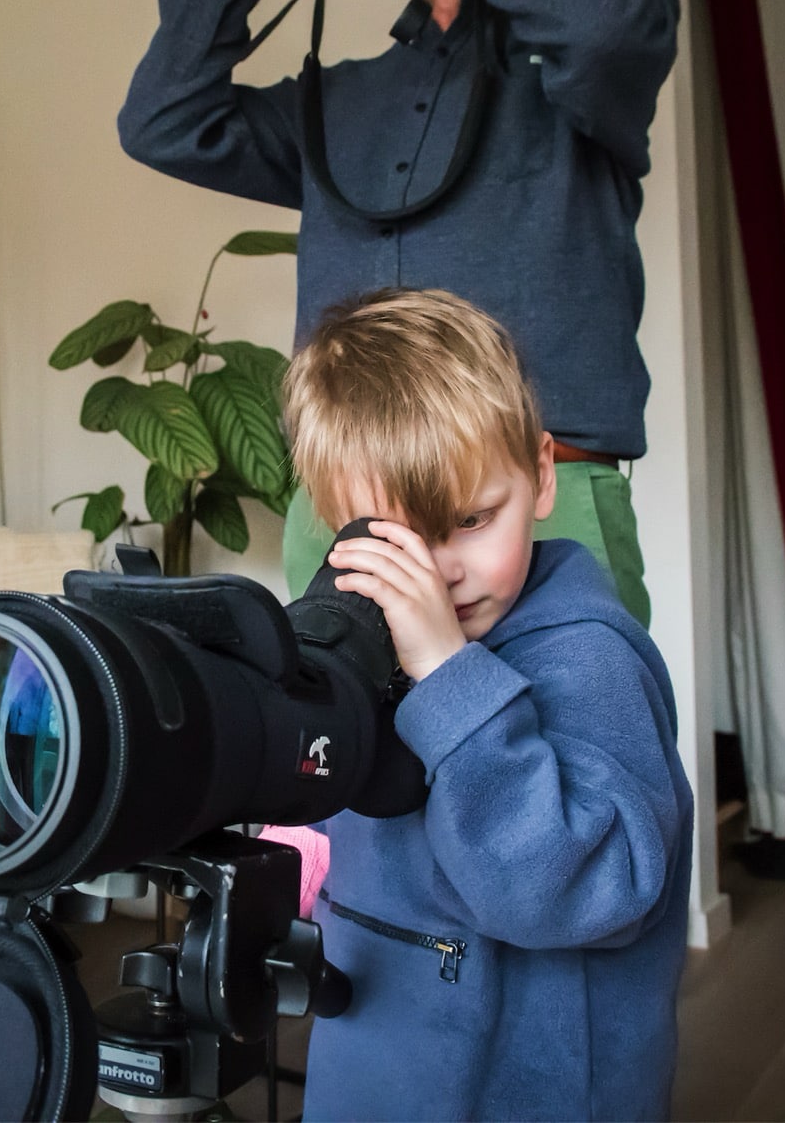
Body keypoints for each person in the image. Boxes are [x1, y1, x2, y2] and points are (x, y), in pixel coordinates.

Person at [119, 0, 678, 623]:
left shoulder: (591, 65)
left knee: (582, 750)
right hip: (346, 513)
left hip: (542, 505)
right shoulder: (338, 101)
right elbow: (160, 117)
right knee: (344, 758)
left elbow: (599, 24)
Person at [280, 289, 692, 1120]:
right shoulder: (362, 641)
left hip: (527, 1089)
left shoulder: (590, 659)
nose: (442, 576)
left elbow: (583, 893)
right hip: (374, 1068)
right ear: (335, 524)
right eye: (398, 541)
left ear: (541, 474)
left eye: (472, 519)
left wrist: (448, 674)